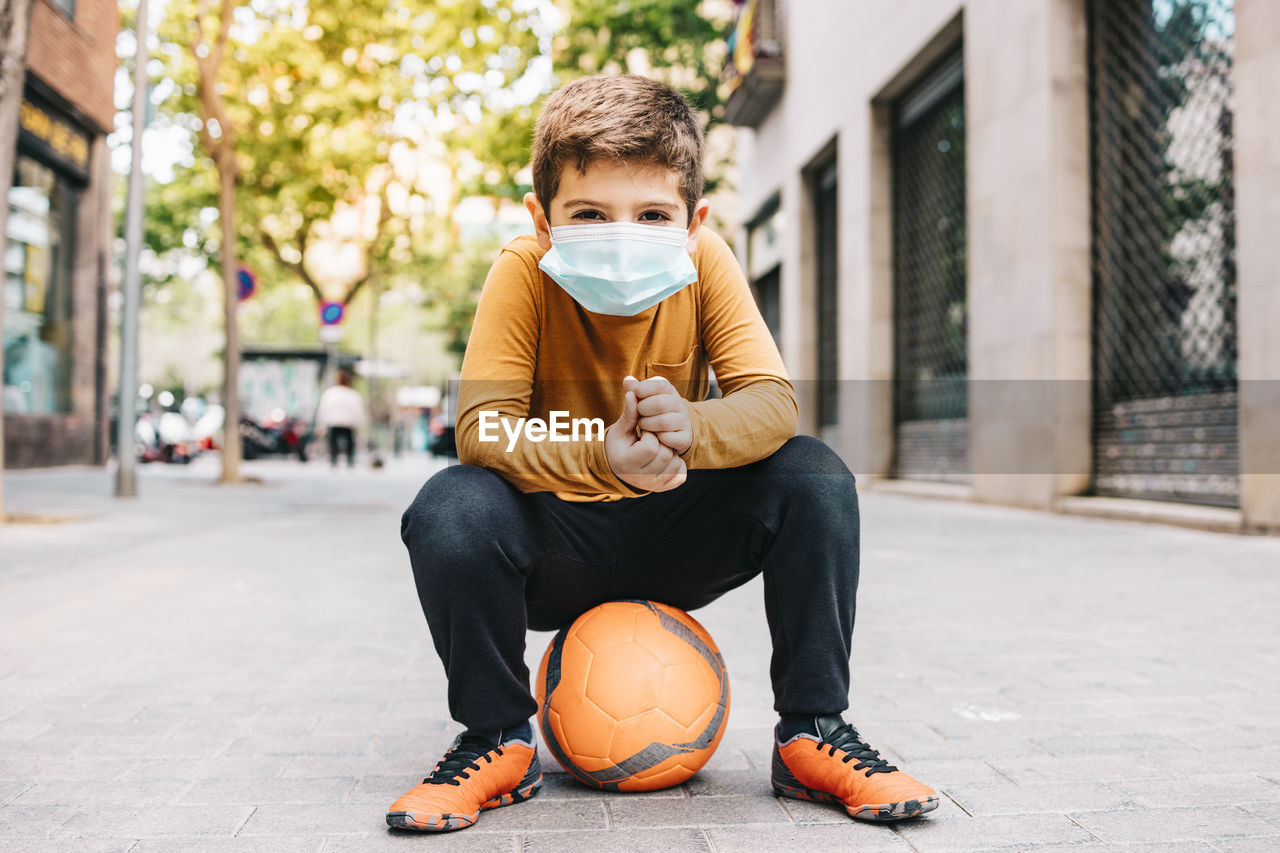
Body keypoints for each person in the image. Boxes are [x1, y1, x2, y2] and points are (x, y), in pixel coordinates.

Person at [390, 74, 938, 833]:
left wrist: (690, 428)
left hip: (681, 534)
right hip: (555, 544)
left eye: (652, 214)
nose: (623, 232)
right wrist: (601, 459)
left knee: (814, 473)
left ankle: (812, 732)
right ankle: (498, 739)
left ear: (693, 221)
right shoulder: (522, 270)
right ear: (541, 221)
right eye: (588, 213)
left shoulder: (706, 261)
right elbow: (483, 425)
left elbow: (772, 400)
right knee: (449, 505)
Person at [314, 368, 364, 468]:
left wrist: (321, 424)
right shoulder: (352, 394)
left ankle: (334, 459)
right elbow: (357, 410)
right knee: (349, 442)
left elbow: (324, 409)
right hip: (348, 423)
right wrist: (359, 424)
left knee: (333, 441)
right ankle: (349, 460)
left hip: (334, 421)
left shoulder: (331, 393)